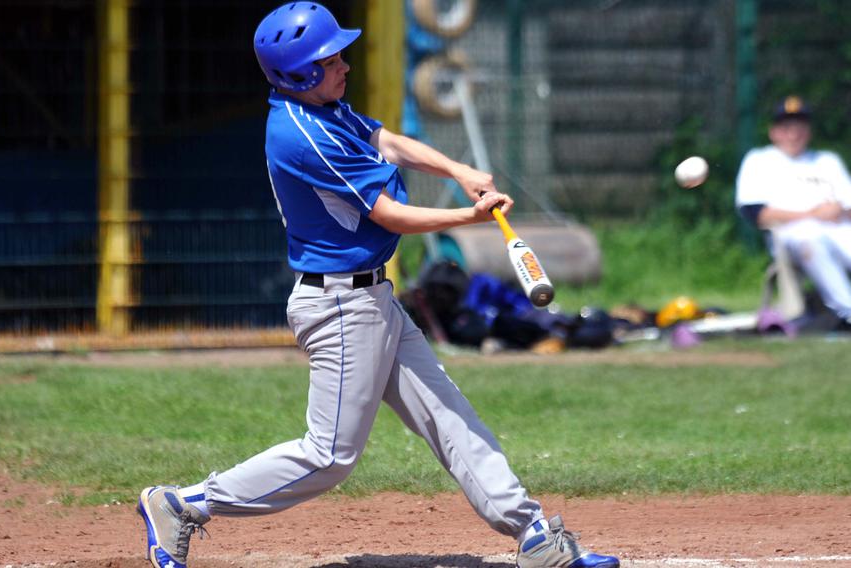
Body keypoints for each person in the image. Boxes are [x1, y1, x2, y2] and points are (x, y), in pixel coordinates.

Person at [136, 4, 619, 568]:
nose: (344, 64)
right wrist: (469, 218)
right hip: (340, 306)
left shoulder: (328, 110)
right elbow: (388, 214)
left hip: (372, 299)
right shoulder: (302, 135)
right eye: (329, 58)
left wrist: (459, 173)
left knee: (450, 414)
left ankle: (533, 536)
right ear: (297, 75)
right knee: (331, 456)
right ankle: (184, 503)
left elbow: (387, 141)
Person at [736, 95, 851, 329]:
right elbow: (756, 213)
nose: (794, 133)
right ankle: (847, 310)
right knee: (811, 239)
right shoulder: (760, 160)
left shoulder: (826, 161)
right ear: (774, 132)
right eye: (787, 127)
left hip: (838, 228)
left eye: (800, 127)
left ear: (808, 131)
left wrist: (838, 210)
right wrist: (812, 215)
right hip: (791, 233)